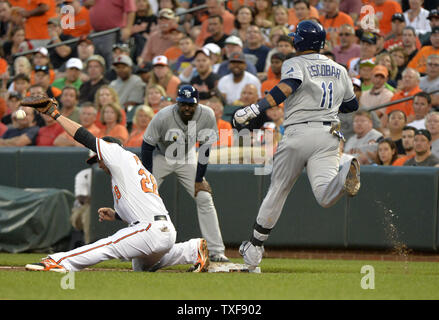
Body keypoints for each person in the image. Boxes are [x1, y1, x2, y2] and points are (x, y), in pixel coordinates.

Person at [24, 100, 210, 273]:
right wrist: (116, 215)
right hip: (165, 232)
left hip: (150, 230)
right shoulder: (129, 170)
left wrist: (55, 114)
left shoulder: (117, 153)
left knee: (109, 245)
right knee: (140, 265)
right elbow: (141, 203)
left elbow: (84, 136)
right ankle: (191, 249)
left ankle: (59, 261)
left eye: (98, 158)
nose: (98, 163)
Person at [234, 20, 360, 270]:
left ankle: (255, 248)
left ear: (301, 40)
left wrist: (254, 108)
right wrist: (329, 104)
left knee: (278, 189)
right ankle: (345, 169)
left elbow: (287, 87)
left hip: (298, 132)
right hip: (329, 136)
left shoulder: (294, 62)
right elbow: (351, 106)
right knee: (325, 195)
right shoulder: (340, 68)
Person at [141, 84, 230, 263]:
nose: (187, 108)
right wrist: (148, 177)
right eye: (183, 104)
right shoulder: (163, 116)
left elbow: (205, 147)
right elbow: (147, 146)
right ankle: (133, 247)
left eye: (191, 104)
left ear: (197, 103)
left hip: (187, 156)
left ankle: (216, 251)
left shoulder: (207, 114)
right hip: (162, 156)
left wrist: (199, 179)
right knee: (142, 198)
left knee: (204, 197)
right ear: (177, 102)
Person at [88, 0, 136, 69]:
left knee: (111, 61)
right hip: (95, 33)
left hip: (112, 32)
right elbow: (87, 4)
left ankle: (113, 76)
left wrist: (128, 28)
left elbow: (131, 10)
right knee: (96, 62)